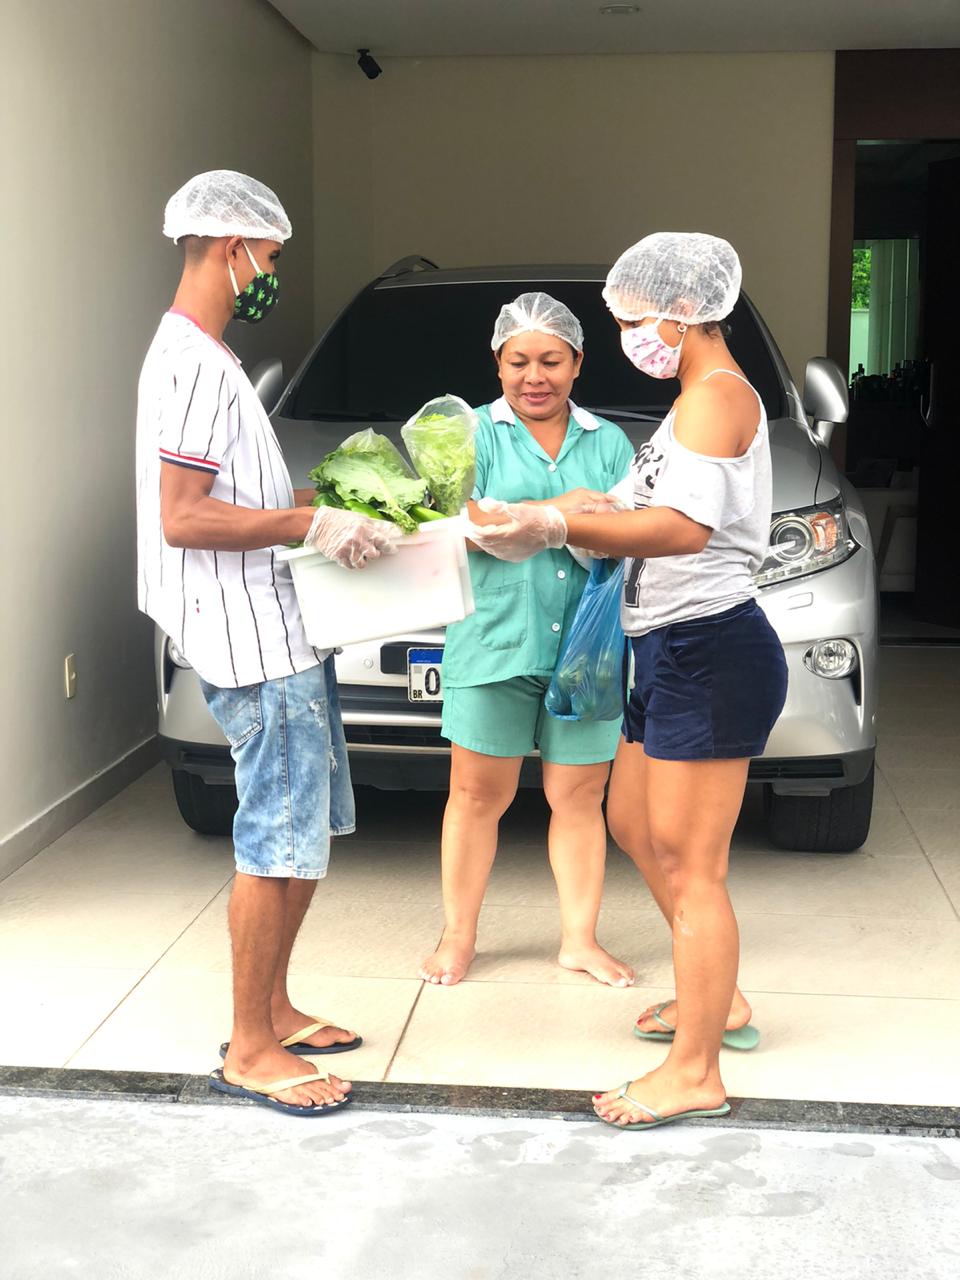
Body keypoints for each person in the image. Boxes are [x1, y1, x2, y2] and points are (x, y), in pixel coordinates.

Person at [470, 235, 788, 1131]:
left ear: (681, 312)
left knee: (694, 866)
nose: (626, 337)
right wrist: (578, 508)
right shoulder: (694, 398)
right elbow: (653, 506)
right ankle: (714, 997)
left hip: (711, 650)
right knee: (631, 824)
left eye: (630, 319)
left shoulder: (716, 398)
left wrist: (553, 527)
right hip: (670, 649)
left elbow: (683, 531)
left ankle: (697, 1069)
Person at [136, 170, 400, 1117]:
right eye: (271, 256)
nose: (272, 274)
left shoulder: (212, 358)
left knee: (303, 830)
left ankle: (276, 1009)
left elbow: (238, 497)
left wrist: (342, 502)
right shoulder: (193, 365)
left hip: (282, 628)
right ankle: (250, 1047)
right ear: (229, 247)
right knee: (274, 838)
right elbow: (183, 517)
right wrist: (308, 525)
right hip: (249, 641)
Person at [419, 293, 636, 988]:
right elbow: (456, 525)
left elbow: (628, 529)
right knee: (476, 796)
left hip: (589, 648)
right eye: (519, 362)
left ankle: (579, 940)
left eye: (551, 361)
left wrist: (552, 522)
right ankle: (458, 938)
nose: (534, 376)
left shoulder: (609, 443)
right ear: (497, 361)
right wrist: (562, 511)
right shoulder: (470, 436)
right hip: (495, 640)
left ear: (578, 363)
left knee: (579, 797)